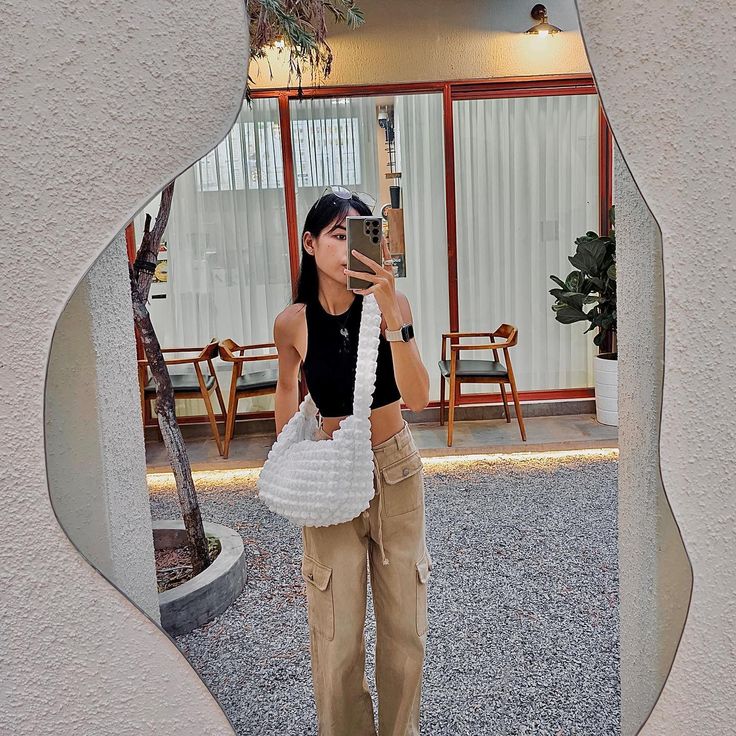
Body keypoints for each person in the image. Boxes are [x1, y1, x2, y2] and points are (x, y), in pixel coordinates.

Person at [272, 189, 433, 736]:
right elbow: (287, 389)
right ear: (310, 243)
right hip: (331, 479)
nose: (349, 248)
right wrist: (292, 463)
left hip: (394, 471)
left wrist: (392, 315)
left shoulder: (392, 306)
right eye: (338, 235)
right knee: (336, 636)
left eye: (362, 235)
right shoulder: (293, 322)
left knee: (403, 633)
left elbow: (419, 398)